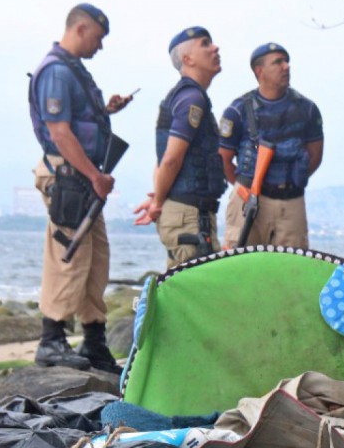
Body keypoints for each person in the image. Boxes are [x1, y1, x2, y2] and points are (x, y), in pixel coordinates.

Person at [27, 3, 133, 372]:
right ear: (81, 29)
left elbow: (77, 120)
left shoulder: (73, 70)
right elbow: (59, 132)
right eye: (98, 38)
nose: (100, 46)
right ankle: (51, 338)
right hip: (71, 177)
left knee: (95, 258)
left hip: (83, 179)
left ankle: (94, 339)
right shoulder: (57, 71)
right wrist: (95, 176)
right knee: (68, 252)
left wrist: (106, 110)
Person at [133, 26, 226, 268]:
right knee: (199, 286)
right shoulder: (191, 99)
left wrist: (160, 197)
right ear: (188, 59)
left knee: (187, 285)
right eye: (205, 44)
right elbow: (171, 159)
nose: (215, 48)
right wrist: (158, 202)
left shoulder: (181, 96)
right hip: (190, 215)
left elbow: (163, 158)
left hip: (188, 212)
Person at [219, 42, 323, 249]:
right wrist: (245, 187)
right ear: (260, 71)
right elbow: (223, 159)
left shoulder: (307, 109)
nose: (286, 66)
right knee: (240, 260)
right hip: (247, 199)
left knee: (291, 264)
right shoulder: (239, 110)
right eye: (278, 62)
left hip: (290, 202)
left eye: (286, 61)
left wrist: (289, 182)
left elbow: (315, 156)